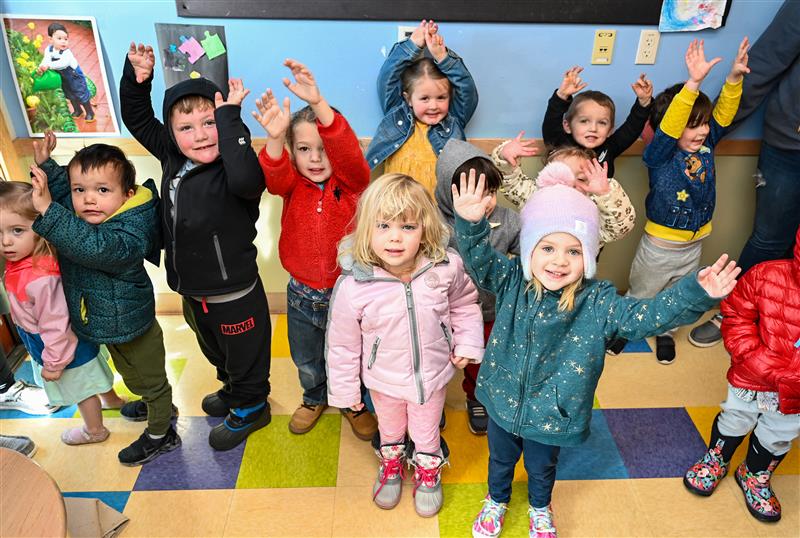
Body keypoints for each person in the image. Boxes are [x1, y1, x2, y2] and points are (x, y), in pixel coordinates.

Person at [452, 170, 740, 538]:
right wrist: (470, 222)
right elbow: (477, 260)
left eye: (573, 250)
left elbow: (645, 318)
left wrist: (694, 293)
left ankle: (540, 507)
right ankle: (496, 500)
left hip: (554, 413)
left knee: (542, 468)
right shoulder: (510, 280)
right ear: (529, 250)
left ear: (587, 255)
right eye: (547, 248)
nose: (559, 261)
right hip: (501, 400)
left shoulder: (598, 302)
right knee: (501, 460)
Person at [121, 43, 271, 451]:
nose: (200, 135)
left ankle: (252, 405)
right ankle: (232, 388)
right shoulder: (173, 158)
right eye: (186, 128)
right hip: (191, 289)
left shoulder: (233, 164)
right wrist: (138, 81)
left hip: (234, 292)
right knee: (214, 349)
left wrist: (230, 119)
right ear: (172, 134)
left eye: (210, 124)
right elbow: (136, 117)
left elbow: (248, 182)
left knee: (244, 354)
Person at [327, 173, 484, 517]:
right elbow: (341, 346)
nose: (395, 238)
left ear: (425, 230)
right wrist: (345, 393)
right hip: (383, 380)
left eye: (407, 227)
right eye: (383, 226)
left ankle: (428, 470)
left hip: (432, 376)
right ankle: (392, 463)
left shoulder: (445, 268)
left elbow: (465, 304)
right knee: (391, 427)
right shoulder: (355, 286)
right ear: (367, 229)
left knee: (426, 428)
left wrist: (469, 340)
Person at [29, 134, 179, 465]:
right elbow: (67, 199)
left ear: (126, 196)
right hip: (108, 321)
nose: (88, 200)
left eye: (102, 190)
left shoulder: (130, 228)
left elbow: (97, 248)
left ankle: (161, 432)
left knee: (150, 378)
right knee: (130, 372)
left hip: (133, 324)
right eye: (81, 190)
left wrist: (48, 212)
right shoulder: (88, 212)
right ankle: (157, 405)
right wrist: (47, 165)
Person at [254, 59, 376, 439]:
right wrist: (276, 138)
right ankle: (314, 396)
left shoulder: (353, 180)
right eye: (305, 149)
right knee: (307, 356)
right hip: (301, 291)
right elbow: (273, 177)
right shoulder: (291, 182)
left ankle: (353, 403)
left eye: (324, 149)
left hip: (349, 291)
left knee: (350, 354)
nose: (316, 158)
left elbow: (349, 155)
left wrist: (320, 104)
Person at [612, 38, 749, 364]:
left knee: (677, 297)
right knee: (642, 293)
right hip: (660, 247)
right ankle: (620, 328)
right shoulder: (660, 153)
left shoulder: (707, 144)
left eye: (702, 124)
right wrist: (693, 83)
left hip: (694, 243)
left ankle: (665, 334)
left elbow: (724, 116)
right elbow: (671, 128)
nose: (701, 131)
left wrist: (733, 80)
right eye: (692, 125)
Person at [690, 0, 800, 347]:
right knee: (770, 238)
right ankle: (736, 310)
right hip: (790, 143)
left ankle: (786, 324)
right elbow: (765, 65)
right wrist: (715, 130)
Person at [684, 224, 800, 523]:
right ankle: (718, 458)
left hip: (796, 391)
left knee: (780, 434)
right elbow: (736, 314)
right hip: (753, 376)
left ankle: (755, 473)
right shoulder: (767, 275)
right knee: (735, 416)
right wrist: (754, 358)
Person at [1, 180, 115, 445]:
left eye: (17, 230)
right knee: (89, 374)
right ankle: (111, 399)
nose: (6, 241)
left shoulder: (40, 278)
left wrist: (53, 362)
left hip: (61, 346)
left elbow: (55, 325)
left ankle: (94, 430)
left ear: (40, 231)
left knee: (80, 387)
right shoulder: (23, 262)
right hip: (60, 340)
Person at [434, 139, 520, 435]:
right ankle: (432, 402)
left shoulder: (507, 220)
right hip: (440, 312)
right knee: (434, 360)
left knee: (480, 360)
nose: (486, 203)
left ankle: (475, 396)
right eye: (475, 193)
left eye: (491, 193)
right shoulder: (432, 222)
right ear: (450, 191)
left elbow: (531, 251)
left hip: (489, 309)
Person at [366, 20, 478, 197]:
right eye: (424, 98)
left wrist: (443, 57)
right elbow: (388, 77)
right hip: (398, 208)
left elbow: (467, 90)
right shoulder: (397, 114)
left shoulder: (453, 121)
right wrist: (412, 45)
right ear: (408, 99)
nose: (433, 106)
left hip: (439, 213)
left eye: (441, 98)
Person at [492, 144, 637, 247]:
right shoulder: (535, 196)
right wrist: (505, 158)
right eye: (561, 177)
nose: (571, 185)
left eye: (581, 179)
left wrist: (605, 194)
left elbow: (620, 229)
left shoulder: (594, 210)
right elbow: (511, 182)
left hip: (576, 277)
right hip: (534, 270)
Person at [532, 66, 653, 177]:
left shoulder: (610, 147)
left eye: (602, 123)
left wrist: (644, 103)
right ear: (567, 126)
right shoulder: (560, 144)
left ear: (610, 130)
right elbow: (551, 123)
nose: (593, 128)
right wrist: (562, 95)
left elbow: (632, 128)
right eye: (584, 121)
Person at [36, 22, 94, 122]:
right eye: (59, 39)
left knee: (80, 93)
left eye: (66, 39)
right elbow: (46, 60)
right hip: (63, 77)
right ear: (50, 39)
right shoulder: (48, 50)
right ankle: (78, 110)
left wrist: (49, 66)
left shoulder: (67, 53)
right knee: (69, 93)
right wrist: (41, 66)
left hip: (74, 76)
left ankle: (89, 112)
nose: (63, 42)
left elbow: (63, 63)